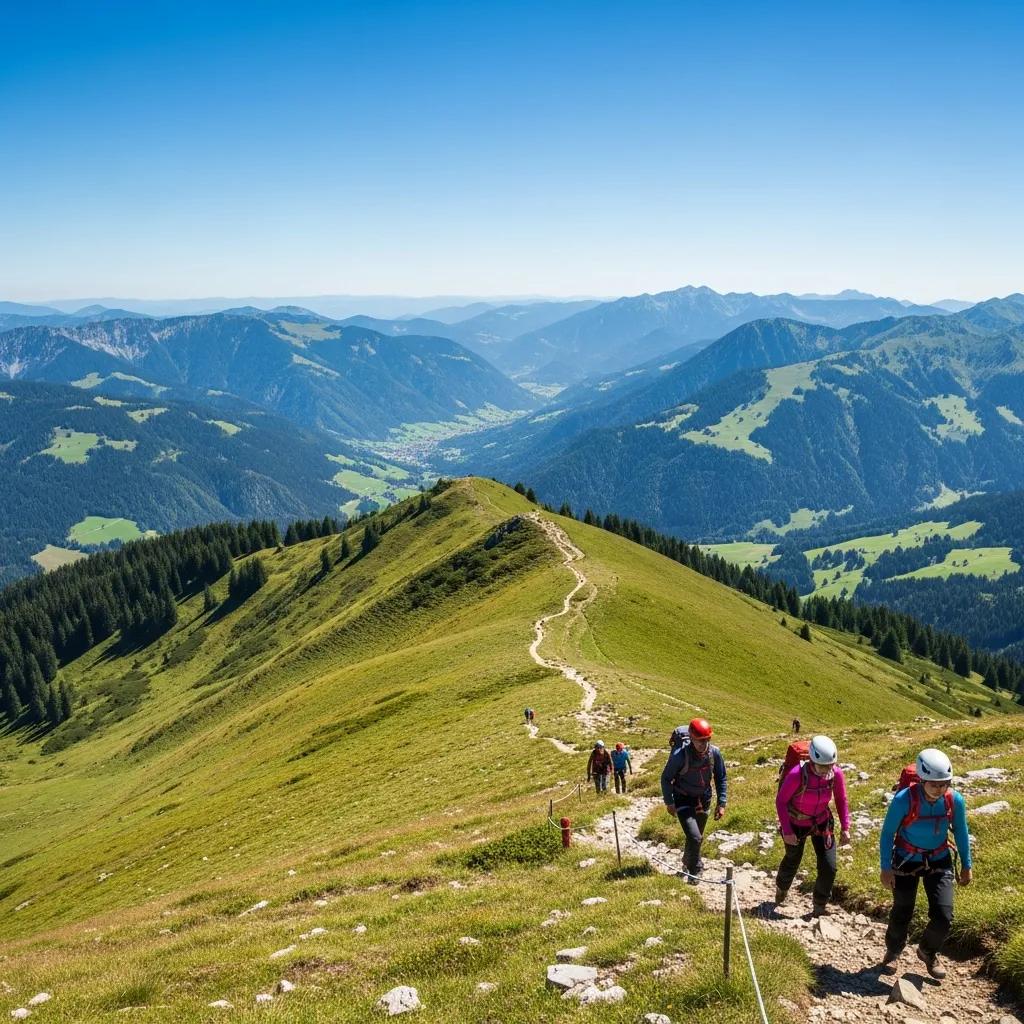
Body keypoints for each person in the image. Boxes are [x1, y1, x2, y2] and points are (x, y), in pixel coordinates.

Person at [879, 748, 972, 980]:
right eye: (934, 784)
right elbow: (887, 833)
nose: (940, 789)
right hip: (906, 859)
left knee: (944, 914)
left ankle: (927, 951)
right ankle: (893, 951)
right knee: (903, 909)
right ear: (922, 780)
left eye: (945, 784)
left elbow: (961, 831)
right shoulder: (904, 799)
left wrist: (966, 865)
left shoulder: (954, 800)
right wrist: (885, 867)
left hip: (939, 859)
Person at [775, 735, 851, 916]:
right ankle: (782, 889)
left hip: (822, 823)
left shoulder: (836, 774)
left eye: (830, 766)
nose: (826, 770)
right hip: (796, 823)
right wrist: (787, 831)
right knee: (793, 859)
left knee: (829, 866)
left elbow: (841, 799)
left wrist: (845, 828)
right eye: (822, 766)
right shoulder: (796, 775)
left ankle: (819, 905)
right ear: (811, 760)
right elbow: (781, 802)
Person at [660, 718, 727, 883]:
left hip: (704, 798)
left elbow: (721, 778)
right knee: (695, 837)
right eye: (700, 741)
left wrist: (721, 803)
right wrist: (669, 802)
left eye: (707, 740)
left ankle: (686, 862)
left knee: (695, 837)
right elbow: (666, 778)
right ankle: (695, 870)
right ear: (691, 738)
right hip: (683, 799)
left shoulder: (715, 753)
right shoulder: (680, 756)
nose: (704, 744)